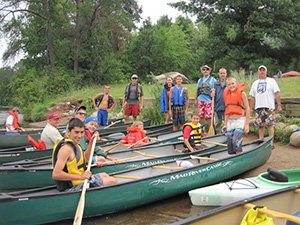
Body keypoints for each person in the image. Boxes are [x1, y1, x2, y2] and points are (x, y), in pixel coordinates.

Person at [52, 118, 117, 192]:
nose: (79, 136)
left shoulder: (75, 144)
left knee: (104, 174)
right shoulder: (66, 149)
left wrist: (92, 142)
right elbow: (56, 174)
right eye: (76, 132)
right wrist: (80, 176)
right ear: (69, 132)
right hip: (72, 187)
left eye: (82, 132)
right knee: (112, 181)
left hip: (80, 180)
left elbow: (86, 158)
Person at [249, 65, 282, 149]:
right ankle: (261, 141)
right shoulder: (255, 83)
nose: (262, 72)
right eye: (260, 70)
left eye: (264, 70)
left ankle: (271, 142)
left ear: (266, 72)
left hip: (269, 106)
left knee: (270, 124)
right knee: (260, 125)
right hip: (259, 106)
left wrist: (279, 105)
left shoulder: (271, 81)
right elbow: (252, 97)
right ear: (258, 72)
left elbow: (277, 93)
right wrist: (250, 108)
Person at [222, 77, 250, 154]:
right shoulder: (227, 95)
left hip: (239, 121)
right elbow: (227, 111)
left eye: (233, 84)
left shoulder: (242, 94)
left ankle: (239, 158)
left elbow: (247, 109)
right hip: (230, 122)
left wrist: (247, 124)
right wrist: (225, 124)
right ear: (227, 86)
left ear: (236, 84)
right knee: (230, 144)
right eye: (229, 84)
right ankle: (233, 159)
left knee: (236, 142)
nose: (231, 86)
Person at [195, 65, 217, 133]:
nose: (205, 71)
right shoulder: (200, 80)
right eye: (203, 69)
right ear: (202, 71)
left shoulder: (213, 80)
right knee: (201, 116)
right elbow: (197, 90)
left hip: (209, 101)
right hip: (201, 100)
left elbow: (216, 90)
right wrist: (196, 99)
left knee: (209, 117)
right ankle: (203, 131)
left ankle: (210, 130)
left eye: (207, 69)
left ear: (209, 71)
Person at [214, 68, 227, 134]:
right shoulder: (215, 84)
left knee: (227, 123)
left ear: (226, 74)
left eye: (224, 73)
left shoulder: (228, 83)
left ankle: (227, 136)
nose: (222, 75)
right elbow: (211, 96)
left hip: (227, 107)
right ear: (219, 74)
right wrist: (211, 94)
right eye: (221, 73)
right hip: (217, 107)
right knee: (217, 124)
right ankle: (218, 136)